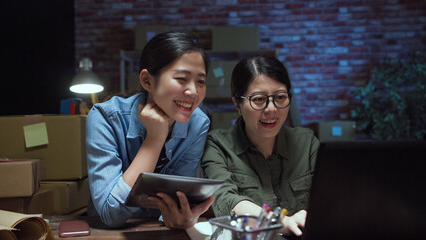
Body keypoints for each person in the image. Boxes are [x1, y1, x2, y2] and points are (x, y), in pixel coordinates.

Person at [86, 31, 214, 228]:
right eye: (181, 78)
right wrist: (154, 139)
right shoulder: (105, 117)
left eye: (201, 81)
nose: (193, 92)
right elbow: (110, 212)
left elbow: (180, 196)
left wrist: (179, 217)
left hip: (161, 230)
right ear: (147, 81)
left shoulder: (198, 123)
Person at [201, 55, 319, 236]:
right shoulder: (218, 145)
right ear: (237, 104)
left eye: (280, 97)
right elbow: (225, 200)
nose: (271, 109)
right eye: (258, 99)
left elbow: (332, 195)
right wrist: (280, 222)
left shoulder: (307, 142)